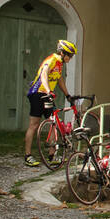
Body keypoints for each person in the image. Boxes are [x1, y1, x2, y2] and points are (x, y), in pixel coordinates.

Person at [24, 39, 76, 167]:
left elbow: (59, 80)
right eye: (70, 55)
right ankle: (28, 155)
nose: (71, 58)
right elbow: (44, 75)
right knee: (34, 125)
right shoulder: (52, 59)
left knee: (54, 122)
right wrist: (48, 90)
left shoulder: (60, 64)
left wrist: (67, 95)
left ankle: (52, 156)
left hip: (47, 95)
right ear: (63, 53)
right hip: (38, 93)